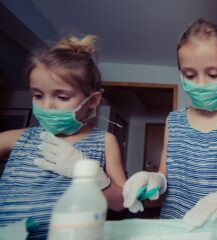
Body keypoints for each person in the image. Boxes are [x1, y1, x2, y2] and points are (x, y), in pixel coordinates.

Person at [123, 18, 217, 228]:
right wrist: (153, 180)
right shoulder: (174, 121)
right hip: (180, 227)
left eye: (213, 74)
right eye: (190, 75)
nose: (201, 84)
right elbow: (164, 174)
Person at [0, 35, 127, 239]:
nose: (47, 106)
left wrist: (95, 177)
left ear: (92, 100)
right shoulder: (17, 138)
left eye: (62, 97)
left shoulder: (105, 141)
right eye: (38, 95)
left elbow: (120, 203)